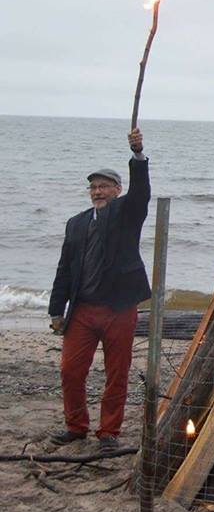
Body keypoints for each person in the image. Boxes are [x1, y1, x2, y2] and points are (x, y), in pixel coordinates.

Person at [47, 128, 152, 449]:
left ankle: (108, 433)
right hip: (82, 309)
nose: (97, 191)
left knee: (116, 374)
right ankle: (77, 426)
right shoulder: (76, 223)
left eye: (104, 186)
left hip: (119, 308)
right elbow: (64, 269)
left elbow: (141, 194)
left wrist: (138, 155)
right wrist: (56, 309)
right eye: (93, 187)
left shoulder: (126, 213)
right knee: (70, 371)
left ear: (117, 190)